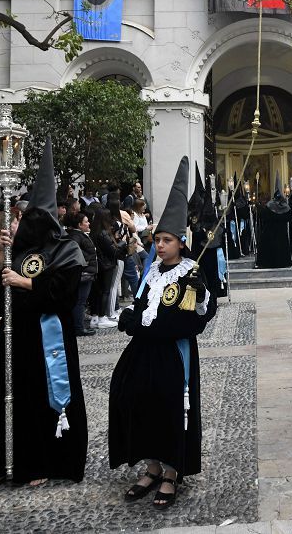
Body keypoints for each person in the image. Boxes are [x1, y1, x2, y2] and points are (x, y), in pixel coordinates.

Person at [109, 157, 218, 509]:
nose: (160, 245)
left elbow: (193, 318)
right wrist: (133, 319)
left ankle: (172, 471)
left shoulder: (191, 272)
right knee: (140, 401)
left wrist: (197, 293)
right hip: (144, 351)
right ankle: (151, 465)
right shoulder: (152, 271)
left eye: (167, 240)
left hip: (173, 353)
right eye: (157, 239)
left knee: (172, 407)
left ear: (181, 242)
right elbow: (140, 306)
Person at [0, 138, 88, 485]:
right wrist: (2, 256)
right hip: (12, 331)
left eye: (32, 219)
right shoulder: (16, 248)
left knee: (37, 396)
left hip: (45, 334)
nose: (26, 224)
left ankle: (40, 462)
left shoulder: (66, 250)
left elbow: (63, 295)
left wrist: (26, 284)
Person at [65, 212, 98, 337]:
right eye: (86, 221)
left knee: (80, 301)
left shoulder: (79, 235)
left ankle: (78, 325)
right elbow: (73, 250)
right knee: (80, 301)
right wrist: (86, 261)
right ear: (79, 225)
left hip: (85, 272)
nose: (88, 223)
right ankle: (78, 327)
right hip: (83, 273)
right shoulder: (76, 236)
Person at [90, 207, 120, 329]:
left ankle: (95, 317)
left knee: (97, 291)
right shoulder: (103, 233)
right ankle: (102, 317)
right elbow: (113, 251)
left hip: (98, 264)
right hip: (106, 265)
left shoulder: (94, 232)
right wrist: (122, 244)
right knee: (105, 291)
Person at [256, 184, 292, 269]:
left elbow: (264, 217)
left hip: (270, 232)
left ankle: (268, 263)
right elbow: (288, 218)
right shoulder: (285, 207)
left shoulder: (269, 206)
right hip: (280, 232)